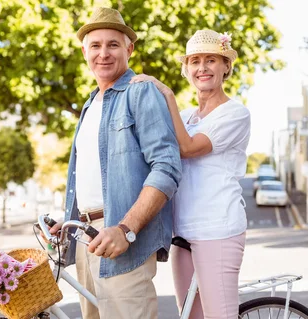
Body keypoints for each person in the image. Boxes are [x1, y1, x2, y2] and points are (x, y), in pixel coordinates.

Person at [49, 7, 182, 319]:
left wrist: (126, 229)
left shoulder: (140, 92)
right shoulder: (88, 105)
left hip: (122, 242)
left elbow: (167, 167)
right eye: (95, 45)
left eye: (113, 44)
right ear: (84, 51)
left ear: (129, 49)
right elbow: (93, 175)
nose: (103, 53)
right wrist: (65, 221)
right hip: (85, 237)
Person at [131, 29, 251, 319]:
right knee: (189, 316)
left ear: (226, 67)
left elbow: (187, 147)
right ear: (186, 69)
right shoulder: (184, 117)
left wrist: (166, 94)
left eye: (211, 60)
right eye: (195, 61)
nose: (202, 68)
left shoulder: (235, 113)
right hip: (182, 231)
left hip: (218, 230)